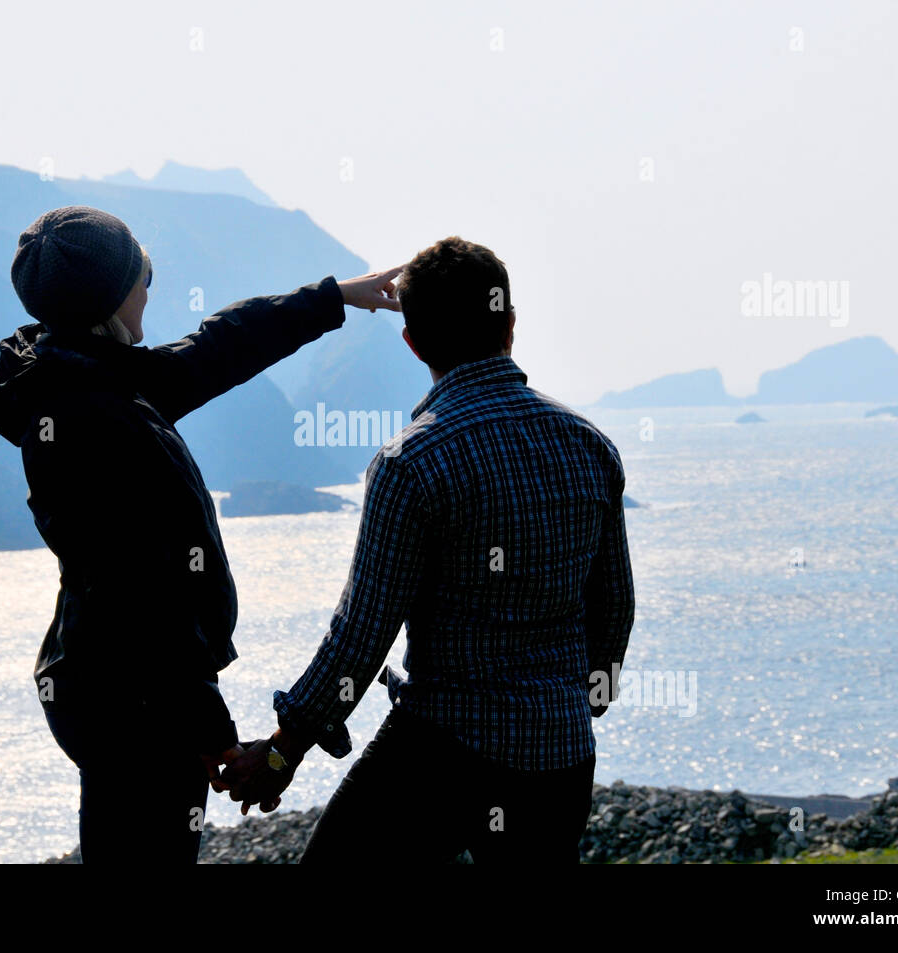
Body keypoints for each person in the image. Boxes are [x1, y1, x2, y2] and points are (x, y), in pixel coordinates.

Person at [0, 205, 401, 864]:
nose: (151, 285)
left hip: (113, 685)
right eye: (143, 272)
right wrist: (211, 729)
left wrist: (333, 297)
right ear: (110, 295)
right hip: (136, 703)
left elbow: (216, 347)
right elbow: (142, 594)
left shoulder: (83, 375)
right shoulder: (97, 416)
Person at [222, 236, 636, 865]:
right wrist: (578, 706)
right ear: (511, 326)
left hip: (442, 751)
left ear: (413, 343)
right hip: (561, 760)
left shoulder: (411, 463)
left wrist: (282, 751)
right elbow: (616, 609)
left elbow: (360, 639)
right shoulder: (590, 445)